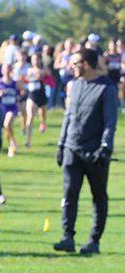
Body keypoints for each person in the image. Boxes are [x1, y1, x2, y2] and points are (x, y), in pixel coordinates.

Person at [54, 48, 118, 255]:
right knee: (69, 194)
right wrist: (61, 144)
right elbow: (68, 117)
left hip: (94, 153)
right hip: (73, 149)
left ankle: (94, 240)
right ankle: (67, 237)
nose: (71, 67)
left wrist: (105, 147)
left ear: (86, 64)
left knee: (98, 197)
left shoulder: (106, 89)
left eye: (75, 63)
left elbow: (110, 122)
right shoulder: (75, 85)